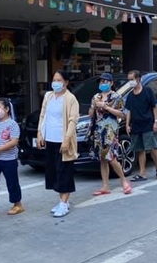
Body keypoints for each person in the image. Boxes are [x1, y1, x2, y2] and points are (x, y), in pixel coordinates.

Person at [36, 70, 78, 218]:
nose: (56, 83)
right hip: (50, 139)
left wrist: (67, 139)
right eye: (54, 79)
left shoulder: (71, 99)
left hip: (63, 141)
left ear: (66, 82)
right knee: (54, 171)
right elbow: (43, 115)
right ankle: (61, 201)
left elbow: (73, 121)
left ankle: (64, 203)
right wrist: (40, 133)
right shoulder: (48, 96)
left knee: (64, 171)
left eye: (59, 80)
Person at [88, 73, 132, 195]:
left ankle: (124, 181)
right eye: (101, 81)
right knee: (103, 159)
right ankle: (105, 186)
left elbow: (122, 114)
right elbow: (91, 114)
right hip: (98, 131)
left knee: (112, 158)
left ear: (111, 83)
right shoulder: (96, 96)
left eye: (105, 81)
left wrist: (106, 107)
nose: (103, 84)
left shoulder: (116, 97)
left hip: (110, 131)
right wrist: (93, 106)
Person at [125, 70, 157, 181]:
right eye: (129, 80)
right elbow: (129, 111)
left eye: (132, 79)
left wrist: (156, 121)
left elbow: (154, 106)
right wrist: (127, 124)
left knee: (152, 147)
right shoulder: (130, 96)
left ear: (138, 79)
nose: (130, 82)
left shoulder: (148, 91)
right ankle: (142, 173)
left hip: (148, 124)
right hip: (136, 125)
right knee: (139, 149)